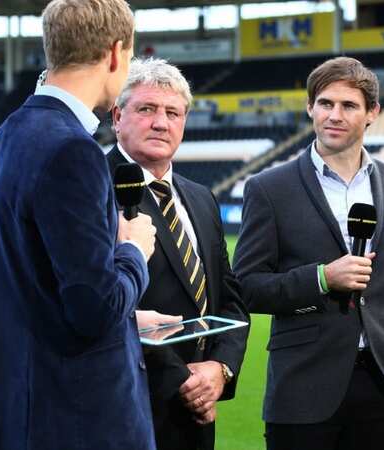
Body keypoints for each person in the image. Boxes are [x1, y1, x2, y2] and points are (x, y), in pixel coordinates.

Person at [0, 1, 166, 449]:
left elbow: (10, 290)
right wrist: (134, 251)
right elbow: (94, 310)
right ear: (117, 53)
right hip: (67, 416)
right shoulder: (73, 151)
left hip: (4, 403)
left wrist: (130, 319)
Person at [232, 56, 384, 450]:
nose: (334, 115)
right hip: (303, 386)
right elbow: (248, 287)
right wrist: (322, 278)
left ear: (372, 112)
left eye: (349, 105)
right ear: (310, 107)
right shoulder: (269, 188)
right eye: (325, 103)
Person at [107, 57, 250, 450]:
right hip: (129, 406)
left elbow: (231, 300)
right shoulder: (91, 188)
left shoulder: (201, 198)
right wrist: (183, 380)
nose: (161, 122)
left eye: (173, 113)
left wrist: (220, 370)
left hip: (197, 412)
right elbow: (96, 302)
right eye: (147, 109)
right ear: (118, 116)